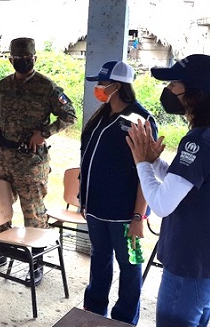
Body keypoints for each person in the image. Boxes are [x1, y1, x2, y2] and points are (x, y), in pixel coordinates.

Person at [0, 37, 77, 284]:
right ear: (10, 59)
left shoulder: (46, 87)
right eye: (18, 59)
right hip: (3, 158)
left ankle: (37, 260)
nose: (22, 62)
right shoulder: (2, 86)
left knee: (33, 212)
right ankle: (3, 250)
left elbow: (69, 115)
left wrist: (44, 133)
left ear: (35, 58)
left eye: (27, 59)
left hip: (30, 162)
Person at [126, 54, 210, 327]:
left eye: (175, 84)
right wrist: (155, 162)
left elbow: (162, 203)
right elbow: (188, 182)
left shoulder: (199, 140)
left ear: (195, 93)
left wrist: (141, 163)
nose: (169, 91)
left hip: (189, 261)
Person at [79, 61, 156, 325]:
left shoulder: (139, 120)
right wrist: (84, 198)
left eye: (103, 84)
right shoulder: (102, 116)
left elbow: (146, 172)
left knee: (131, 265)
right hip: (96, 210)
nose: (98, 89)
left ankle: (124, 319)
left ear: (118, 86)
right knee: (99, 260)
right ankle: (94, 310)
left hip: (126, 216)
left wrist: (138, 217)